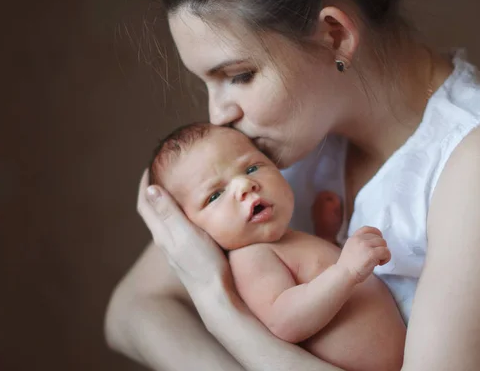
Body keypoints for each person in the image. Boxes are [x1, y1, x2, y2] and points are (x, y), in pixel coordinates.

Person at [104, 0, 480, 370]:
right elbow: (129, 310)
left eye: (239, 75)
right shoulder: (266, 155)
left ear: (334, 35)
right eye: (206, 83)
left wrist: (221, 311)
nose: (217, 116)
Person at [148, 122, 406, 370]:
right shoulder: (250, 258)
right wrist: (346, 272)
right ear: (190, 229)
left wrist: (326, 234)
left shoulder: (282, 241)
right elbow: (284, 321)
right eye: (215, 195)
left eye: (251, 168)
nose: (244, 185)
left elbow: (310, 278)